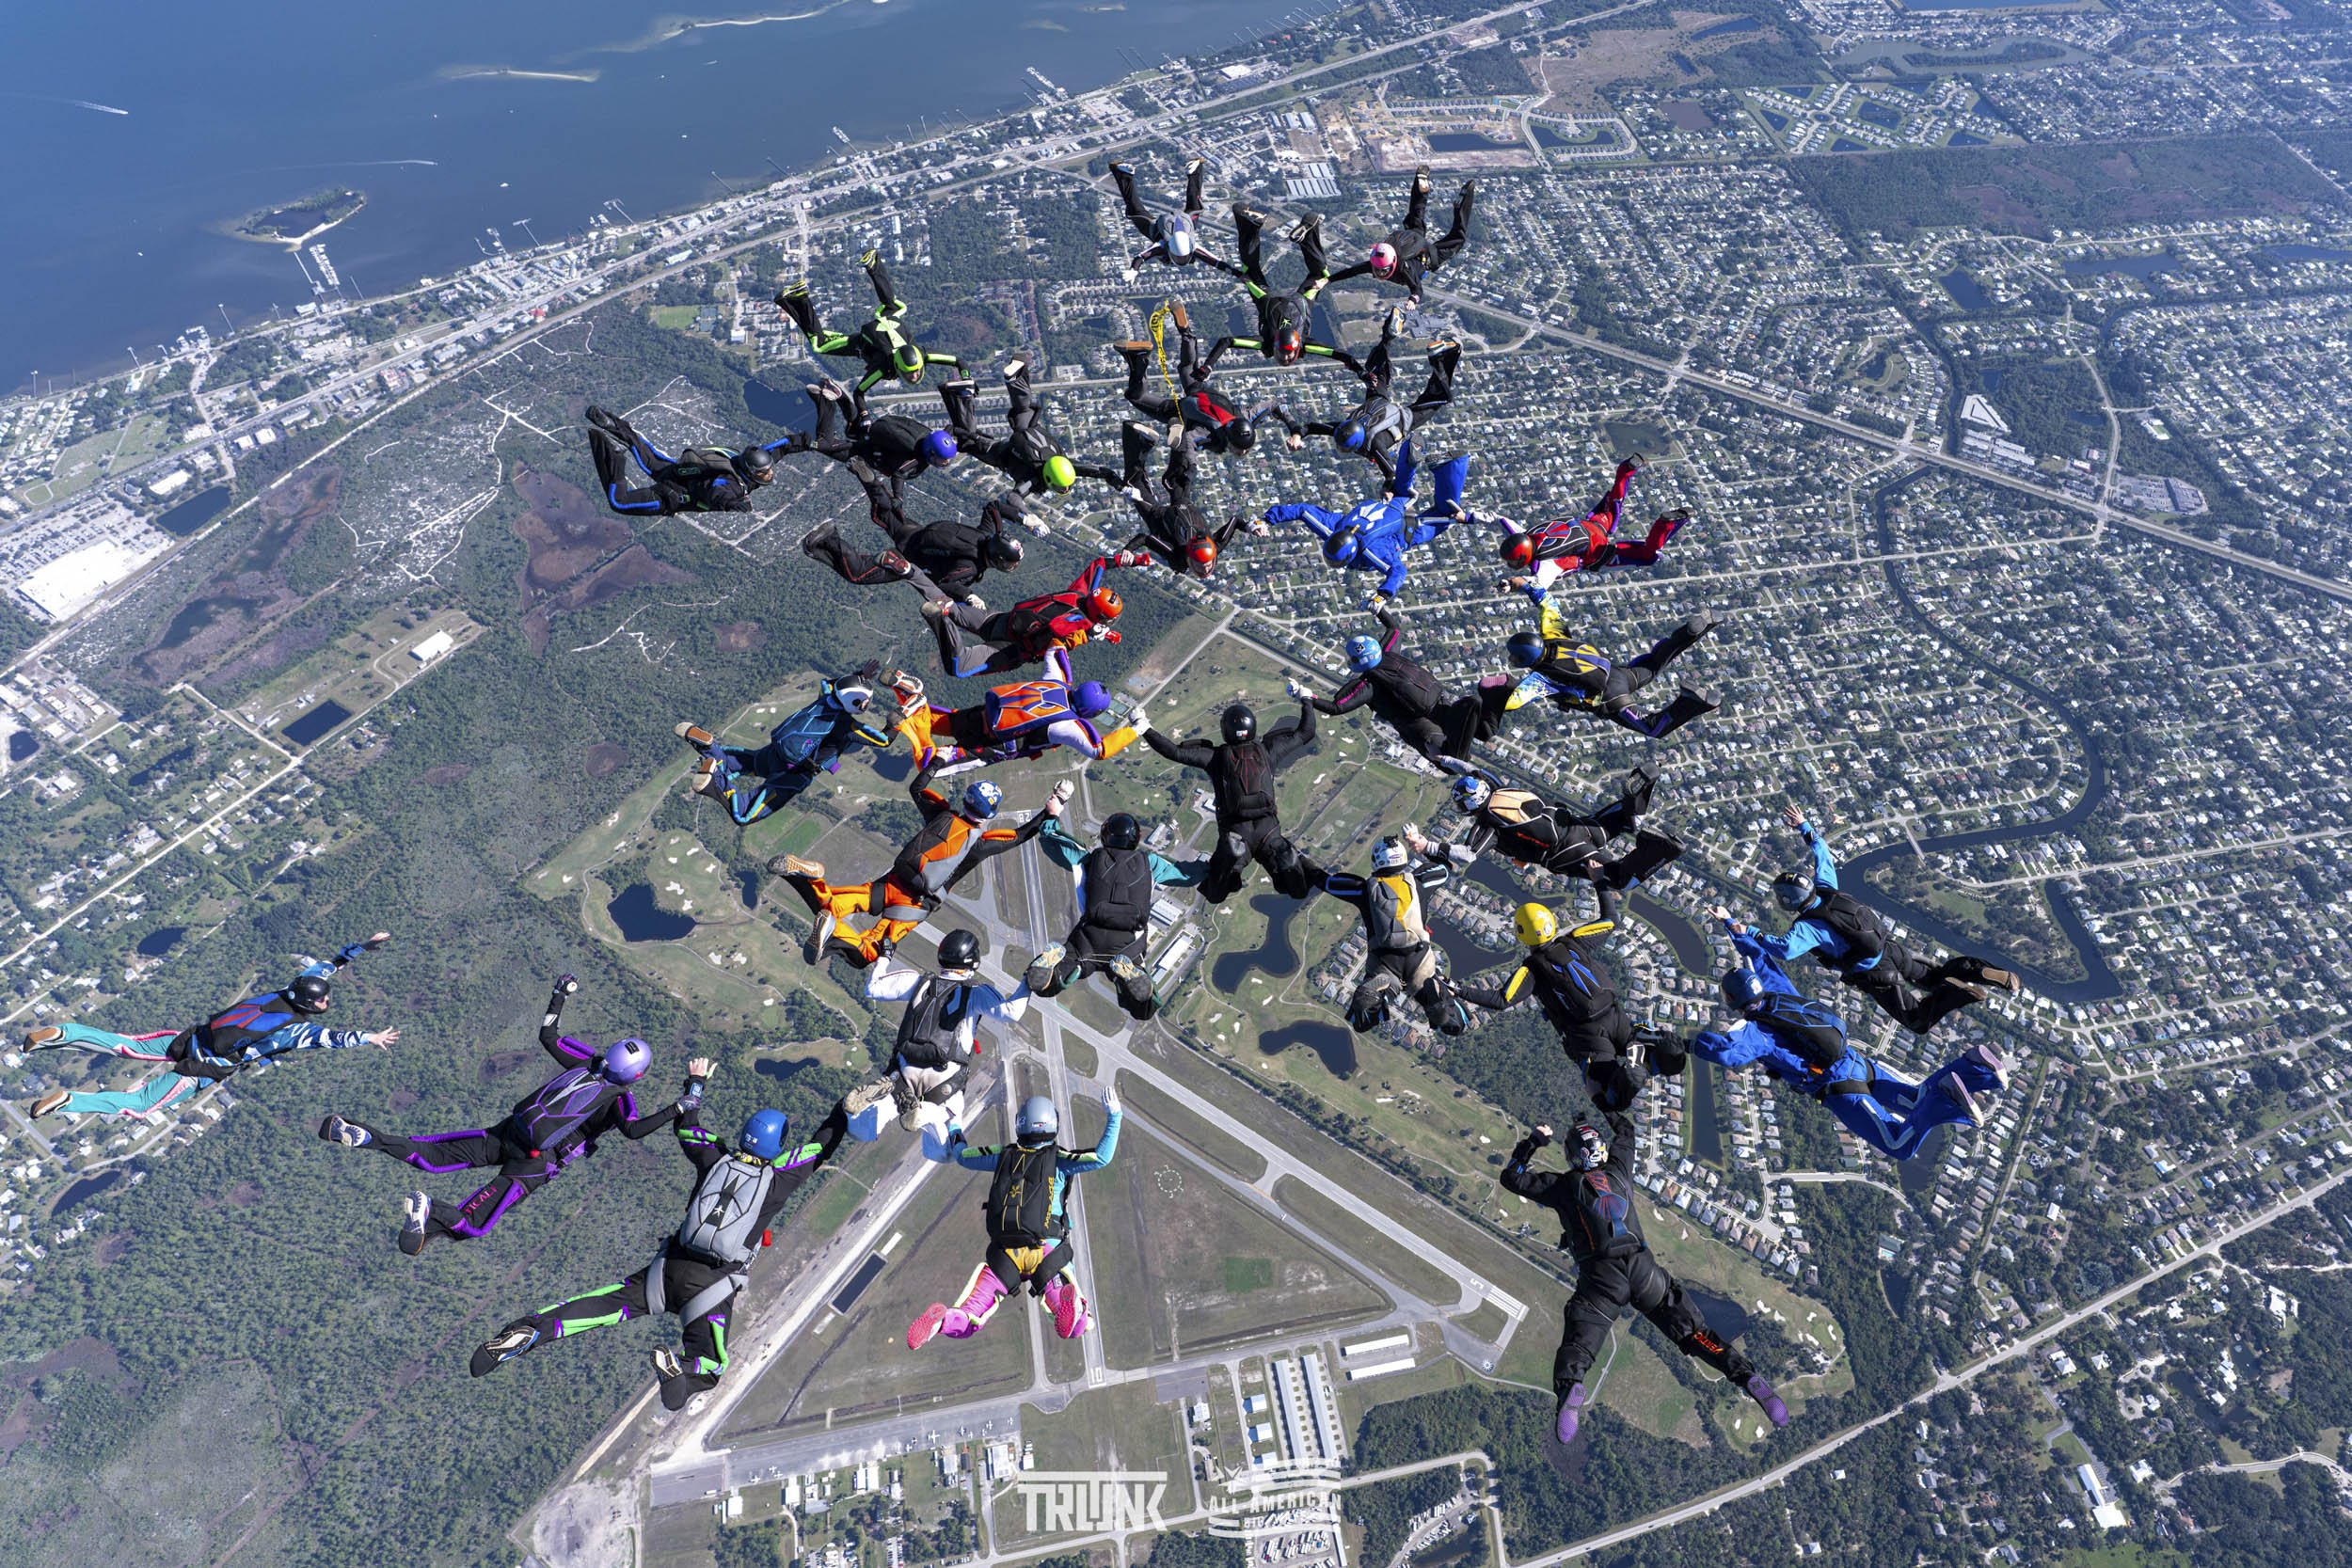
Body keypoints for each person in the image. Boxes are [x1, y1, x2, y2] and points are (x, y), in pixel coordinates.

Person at [470, 1095, 851, 1411]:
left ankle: (528, 1331)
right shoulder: (779, 1177)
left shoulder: (713, 1155)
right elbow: (821, 1146)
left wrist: (696, 1086)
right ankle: (681, 1373)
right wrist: (842, 1110)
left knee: (596, 1308)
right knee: (710, 1366)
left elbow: (686, 1125)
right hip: (712, 1285)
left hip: (666, 1269)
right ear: (778, 1144)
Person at [319, 975, 705, 1254]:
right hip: (536, 1164)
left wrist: (559, 996)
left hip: (508, 1132)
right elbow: (634, 1131)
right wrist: (684, 1103)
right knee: (476, 1223)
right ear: (636, 1076)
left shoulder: (589, 1062)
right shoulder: (619, 1099)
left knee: (432, 1154)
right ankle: (430, 1210)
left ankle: (368, 1138)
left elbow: (549, 1037)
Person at [1502, 1114, 1788, 1444]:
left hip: (1602, 1279)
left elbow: (1512, 1177)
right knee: (1696, 1334)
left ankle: (1571, 1388)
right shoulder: (1619, 1170)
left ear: (1572, 1157)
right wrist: (1607, 1106)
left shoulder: (1564, 1186)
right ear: (1603, 1152)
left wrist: (1534, 1141)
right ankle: (1744, 1374)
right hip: (1645, 1271)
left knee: (1579, 1345)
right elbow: (1626, 1130)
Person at [24, 935, 395, 1122]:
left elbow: (324, 969)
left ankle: (64, 1034)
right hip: (201, 1069)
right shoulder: (294, 1029)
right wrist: (370, 1037)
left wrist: (361, 948)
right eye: (321, 1002)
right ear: (307, 1004)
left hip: (191, 1038)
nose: (325, 1004)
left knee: (123, 1045)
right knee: (137, 1105)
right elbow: (330, 1039)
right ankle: (70, 1101)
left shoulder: (288, 989)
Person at [1727, 804, 2019, 1035]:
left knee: (1917, 1020)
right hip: (1892, 950)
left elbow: (1785, 950)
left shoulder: (1808, 927)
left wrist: (1749, 931)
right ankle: (1982, 972)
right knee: (1934, 976)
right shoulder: (1828, 890)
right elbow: (1823, 854)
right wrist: (1804, 825)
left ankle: (1960, 994)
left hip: (1878, 976)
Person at [1689, 954, 2011, 1159]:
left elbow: (1728, 1054)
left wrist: (1688, 1044)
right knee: (1916, 1099)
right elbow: (1761, 959)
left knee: (1900, 1145)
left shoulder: (1756, 1032)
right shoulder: (1779, 993)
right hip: (1858, 1061)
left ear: (1732, 999)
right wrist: (1734, 929)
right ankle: (1973, 1068)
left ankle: (1948, 1096)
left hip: (1838, 1087)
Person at [770, 774, 1073, 968]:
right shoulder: (978, 844)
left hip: (891, 881)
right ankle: (833, 933)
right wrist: (1053, 806)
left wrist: (941, 758)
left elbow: (918, 788)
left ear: (966, 800)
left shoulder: (941, 814)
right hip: (914, 905)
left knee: (830, 905)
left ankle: (811, 879)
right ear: (989, 816)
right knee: (869, 951)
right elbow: (1019, 836)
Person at [907, 1088, 1121, 1347]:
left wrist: (954, 1124)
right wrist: (1114, 1115)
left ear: (1020, 1125)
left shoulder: (1003, 1155)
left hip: (1004, 1253)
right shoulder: (1059, 1159)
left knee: (970, 1316)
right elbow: (1101, 1157)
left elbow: (963, 1156)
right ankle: (1070, 1304)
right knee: (1077, 1327)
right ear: (1053, 1124)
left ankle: (943, 1322)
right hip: (1046, 1250)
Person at [1455, 893, 1676, 1113]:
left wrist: (1457, 989)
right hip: (1615, 1017)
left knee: (1609, 1100)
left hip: (1587, 1035)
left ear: (1521, 934)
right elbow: (1611, 919)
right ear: (1552, 923)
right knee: (1650, 1053)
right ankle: (1656, 1052)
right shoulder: (1575, 940)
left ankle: (1630, 1071)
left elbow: (1500, 1000)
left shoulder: (1532, 969)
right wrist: (1598, 880)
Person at [676, 662, 914, 826]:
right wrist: (897, 719)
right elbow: (883, 740)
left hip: (774, 753)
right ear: (855, 703)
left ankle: (710, 749)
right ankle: (713, 782)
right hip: (793, 773)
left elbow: (832, 683)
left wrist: (859, 674)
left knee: (743, 762)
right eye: (864, 703)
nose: (865, 707)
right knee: (744, 815)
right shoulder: (846, 726)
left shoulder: (826, 695)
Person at [848, 930, 1028, 1144]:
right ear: (973, 960)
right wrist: (1029, 982)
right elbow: (1011, 1012)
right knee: (946, 1149)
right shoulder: (975, 992)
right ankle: (927, 1113)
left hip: (904, 1069)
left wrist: (885, 957)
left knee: (862, 1130)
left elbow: (873, 988)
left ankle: (874, 1110)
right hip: (945, 1076)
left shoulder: (919, 982)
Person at [1028, 812, 1205, 1022]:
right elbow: (1188, 874)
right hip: (1128, 943)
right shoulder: (1151, 864)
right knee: (1144, 1009)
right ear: (1136, 838)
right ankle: (1125, 979)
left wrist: (1052, 814)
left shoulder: (1089, 859)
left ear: (1105, 836)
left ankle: (1056, 967)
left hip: (1087, 940)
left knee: (1051, 981)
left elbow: (1055, 844)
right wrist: (1218, 864)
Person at [1143, 700, 1318, 904]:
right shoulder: (1268, 750)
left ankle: (1229, 863)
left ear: (1225, 730)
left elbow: (1174, 752)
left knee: (1216, 894)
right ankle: (1287, 863)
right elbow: (1306, 732)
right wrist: (1306, 699)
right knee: (1298, 890)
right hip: (1269, 831)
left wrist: (1145, 729)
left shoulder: (1216, 757)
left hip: (1236, 835)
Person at [1285, 608, 1511, 766]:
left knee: (1448, 760)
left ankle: (1462, 747)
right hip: (1443, 703)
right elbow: (1394, 629)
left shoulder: (1369, 684)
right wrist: (1379, 609)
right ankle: (1496, 694)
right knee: (1482, 727)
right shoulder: (1390, 653)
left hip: (1419, 726)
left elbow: (1337, 706)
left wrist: (1304, 696)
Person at [1263, 438, 1471, 606]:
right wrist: (1266, 520)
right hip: (1387, 508)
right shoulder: (1332, 527)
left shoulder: (1372, 552)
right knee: (1401, 489)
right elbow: (1303, 511)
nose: (1334, 565)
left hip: (1406, 530)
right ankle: (1410, 449)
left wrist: (1383, 595)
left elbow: (1398, 571)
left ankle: (1452, 466)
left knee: (1446, 517)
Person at [800, 457, 1031, 607]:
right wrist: (967, 596)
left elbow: (993, 508)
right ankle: (829, 538)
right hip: (909, 557)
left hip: (917, 532)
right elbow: (945, 583)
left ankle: (872, 483)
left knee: (886, 514)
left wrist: (1023, 518)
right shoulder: (970, 568)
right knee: (857, 573)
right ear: (998, 560)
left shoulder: (985, 535)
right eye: (1011, 563)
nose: (1012, 567)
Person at [1272, 306, 1462, 484]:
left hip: (1400, 418)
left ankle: (1440, 358)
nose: (1340, 449)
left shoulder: (1376, 445)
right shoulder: (1343, 429)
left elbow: (1390, 473)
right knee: (1374, 373)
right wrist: (1298, 435)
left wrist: (1388, 489)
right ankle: (1388, 336)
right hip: (1376, 403)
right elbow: (1311, 427)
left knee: (1435, 400)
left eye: (1344, 448)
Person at [1415, 768, 1682, 892]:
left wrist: (1426, 846)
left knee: (1619, 880)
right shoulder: (1499, 789)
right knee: (1615, 822)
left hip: (1566, 853)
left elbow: (1468, 853)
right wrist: (1445, 759)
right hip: (1574, 824)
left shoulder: (1488, 824)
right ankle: (1634, 806)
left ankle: (1662, 849)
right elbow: (1474, 770)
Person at [1306, 838, 1471, 1037]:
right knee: (1453, 1023)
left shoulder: (1364, 889)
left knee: (1362, 1017)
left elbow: (1326, 881)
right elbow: (1445, 868)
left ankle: (1380, 993)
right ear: (1402, 859)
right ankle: (1436, 998)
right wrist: (1425, 845)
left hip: (1384, 962)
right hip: (1418, 959)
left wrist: (1294, 859)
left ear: (1376, 862)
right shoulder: (1420, 882)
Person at [773, 249, 963, 414]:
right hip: (863, 342)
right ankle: (800, 298)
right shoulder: (883, 368)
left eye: (914, 372)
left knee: (891, 304)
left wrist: (967, 379)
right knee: (820, 345)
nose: (914, 376)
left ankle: (874, 264)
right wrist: (863, 414)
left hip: (889, 323)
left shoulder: (923, 355)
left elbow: (958, 362)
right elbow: (859, 392)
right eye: (911, 373)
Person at [898, 645, 1144, 772]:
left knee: (941, 722)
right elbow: (1098, 750)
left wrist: (1086, 632)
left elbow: (1055, 650)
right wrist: (1135, 730)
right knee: (928, 766)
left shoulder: (1056, 681)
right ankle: (914, 722)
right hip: (990, 744)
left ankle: (910, 696)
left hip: (983, 713)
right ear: (1092, 713)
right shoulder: (1068, 725)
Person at [1502, 604, 1721, 739]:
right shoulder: (1553, 636)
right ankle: (1695, 630)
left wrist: (1490, 696)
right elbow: (1547, 603)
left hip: (1612, 699)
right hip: (1618, 674)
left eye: (1514, 657)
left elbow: (1513, 701)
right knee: (1654, 664)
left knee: (1653, 729)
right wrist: (1524, 586)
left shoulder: (1540, 678)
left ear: (1525, 659)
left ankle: (1692, 702)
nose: (1511, 660)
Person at [1112, 300, 1293, 460]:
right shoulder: (1212, 435)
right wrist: (1189, 462)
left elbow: (1274, 404)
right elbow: (1190, 441)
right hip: (1181, 411)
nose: (1243, 453)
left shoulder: (1247, 416)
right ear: (1229, 439)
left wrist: (1293, 427)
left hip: (1201, 391)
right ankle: (1140, 359)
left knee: (1187, 367)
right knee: (1137, 397)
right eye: (1239, 449)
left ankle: (1186, 333)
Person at [1496, 455, 1690, 597]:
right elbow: (1499, 519)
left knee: (1649, 556)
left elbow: (1537, 584)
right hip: (1592, 526)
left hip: (1599, 554)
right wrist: (1466, 517)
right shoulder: (1524, 534)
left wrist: (1511, 584)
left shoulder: (1547, 563)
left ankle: (1664, 525)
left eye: (1513, 562)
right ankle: (1627, 469)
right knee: (1615, 500)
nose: (1511, 565)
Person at [924, 553, 1128, 680]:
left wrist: (1123, 560)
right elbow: (1059, 630)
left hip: (1003, 621)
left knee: (953, 608)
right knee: (959, 668)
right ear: (1099, 616)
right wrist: (1088, 633)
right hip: (1013, 650)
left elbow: (1097, 565)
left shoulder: (1079, 595)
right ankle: (939, 618)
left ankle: (917, 574)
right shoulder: (1078, 624)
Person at [937, 360, 1120, 499]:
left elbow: (1098, 471)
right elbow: (1015, 497)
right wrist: (1027, 519)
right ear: (1049, 479)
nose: (1064, 490)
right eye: (1060, 487)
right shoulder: (1033, 478)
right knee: (968, 443)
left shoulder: (1064, 464)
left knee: (1023, 411)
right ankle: (963, 394)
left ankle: (1015, 378)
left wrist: (1118, 482)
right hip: (1000, 453)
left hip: (1027, 432)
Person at [1203, 203, 1350, 369]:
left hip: (1296, 300)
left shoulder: (1304, 345)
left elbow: (1341, 354)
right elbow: (1227, 341)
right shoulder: (1267, 344)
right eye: (1288, 355)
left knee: (1321, 275)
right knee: (1250, 270)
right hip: (1272, 300)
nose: (1286, 358)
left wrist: (1362, 372)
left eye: (1283, 355)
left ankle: (1308, 234)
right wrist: (1206, 367)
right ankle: (1249, 224)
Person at [1110, 421, 1260, 578]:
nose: (1205, 570)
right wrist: (1128, 549)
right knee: (1138, 482)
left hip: (1182, 504)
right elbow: (1147, 539)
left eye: (1202, 566)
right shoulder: (1179, 558)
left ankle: (1179, 433)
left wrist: (1249, 527)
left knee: (1176, 476)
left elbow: (1235, 522)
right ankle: (1143, 437)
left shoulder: (1215, 546)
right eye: (1206, 565)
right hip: (1161, 516)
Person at [586, 405, 786, 515]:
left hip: (678, 475)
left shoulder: (741, 461)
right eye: (765, 472)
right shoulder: (734, 486)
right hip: (671, 497)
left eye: (769, 470)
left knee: (649, 456)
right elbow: (717, 492)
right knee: (618, 502)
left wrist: (807, 443)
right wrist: (730, 504)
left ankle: (614, 425)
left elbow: (776, 449)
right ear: (751, 471)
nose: (769, 473)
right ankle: (614, 454)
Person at [1317, 166, 1475, 302]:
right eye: (1379, 270)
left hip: (1428, 256)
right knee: (1416, 214)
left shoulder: (1404, 269)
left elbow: (1417, 289)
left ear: (1393, 263)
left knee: (1457, 239)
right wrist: (1327, 280)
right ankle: (1421, 187)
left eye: (1383, 270)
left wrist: (1413, 300)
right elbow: (1351, 271)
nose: (1380, 273)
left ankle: (1463, 202)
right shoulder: (1375, 263)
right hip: (1412, 239)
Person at [776, 377, 958, 487]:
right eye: (944, 459)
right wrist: (897, 499)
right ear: (932, 452)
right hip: (867, 451)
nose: (946, 462)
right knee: (826, 444)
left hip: (875, 436)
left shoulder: (928, 437)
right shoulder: (915, 455)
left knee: (852, 430)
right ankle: (825, 406)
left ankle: (836, 399)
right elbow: (898, 477)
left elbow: (952, 428)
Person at [1108, 158, 1242, 277]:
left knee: (1193, 207)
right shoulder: (1173, 246)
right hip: (1160, 229)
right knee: (1135, 209)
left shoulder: (1184, 246)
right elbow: (1218, 263)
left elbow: (1140, 258)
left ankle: (1194, 170)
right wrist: (1134, 269)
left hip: (1181, 223)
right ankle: (1123, 173)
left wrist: (1134, 269)